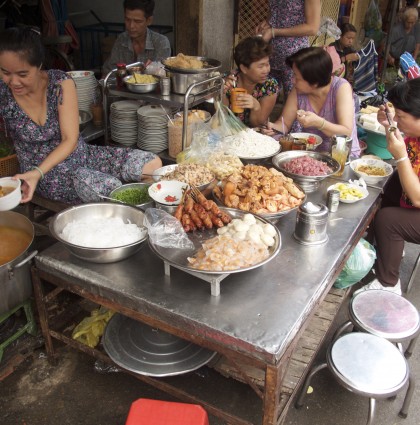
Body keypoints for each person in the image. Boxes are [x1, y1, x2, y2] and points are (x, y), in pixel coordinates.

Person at [0, 26, 162, 204]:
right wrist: (37, 173)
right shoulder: (3, 93)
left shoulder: (60, 83)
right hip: (43, 174)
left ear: (38, 66)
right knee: (110, 189)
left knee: (151, 163)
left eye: (23, 74)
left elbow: (70, 139)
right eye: (5, 73)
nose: (13, 81)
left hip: (82, 155)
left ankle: (144, 214)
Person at [357, 79, 420, 296]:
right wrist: (388, 126)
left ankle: (389, 284)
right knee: (391, 186)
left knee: (389, 220)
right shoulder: (416, 135)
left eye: (401, 117)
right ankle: (381, 250)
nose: (398, 121)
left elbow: (418, 198)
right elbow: (403, 151)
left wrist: (401, 155)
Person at [263, 47, 360, 156]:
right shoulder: (297, 91)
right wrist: (272, 128)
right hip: (310, 155)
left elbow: (346, 132)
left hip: (341, 156)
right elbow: (284, 123)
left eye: (297, 77)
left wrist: (319, 123)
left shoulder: (341, 88)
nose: (293, 81)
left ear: (314, 82)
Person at [255, 0, 321, 98]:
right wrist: (266, 23)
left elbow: (312, 28)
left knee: (292, 99)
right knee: (264, 96)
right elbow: (274, 12)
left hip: (293, 58)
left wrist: (274, 32)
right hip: (270, 55)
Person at [222, 36, 279, 128]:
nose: (266, 70)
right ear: (244, 68)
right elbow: (221, 117)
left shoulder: (270, 86)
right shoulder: (228, 80)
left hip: (252, 137)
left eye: (267, 64)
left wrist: (256, 107)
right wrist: (222, 93)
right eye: (260, 66)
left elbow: (257, 124)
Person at [102, 0, 171, 75]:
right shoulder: (121, 39)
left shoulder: (161, 43)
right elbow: (107, 72)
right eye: (127, 20)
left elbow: (162, 76)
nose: (131, 26)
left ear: (149, 20)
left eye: (137, 21)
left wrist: (152, 69)